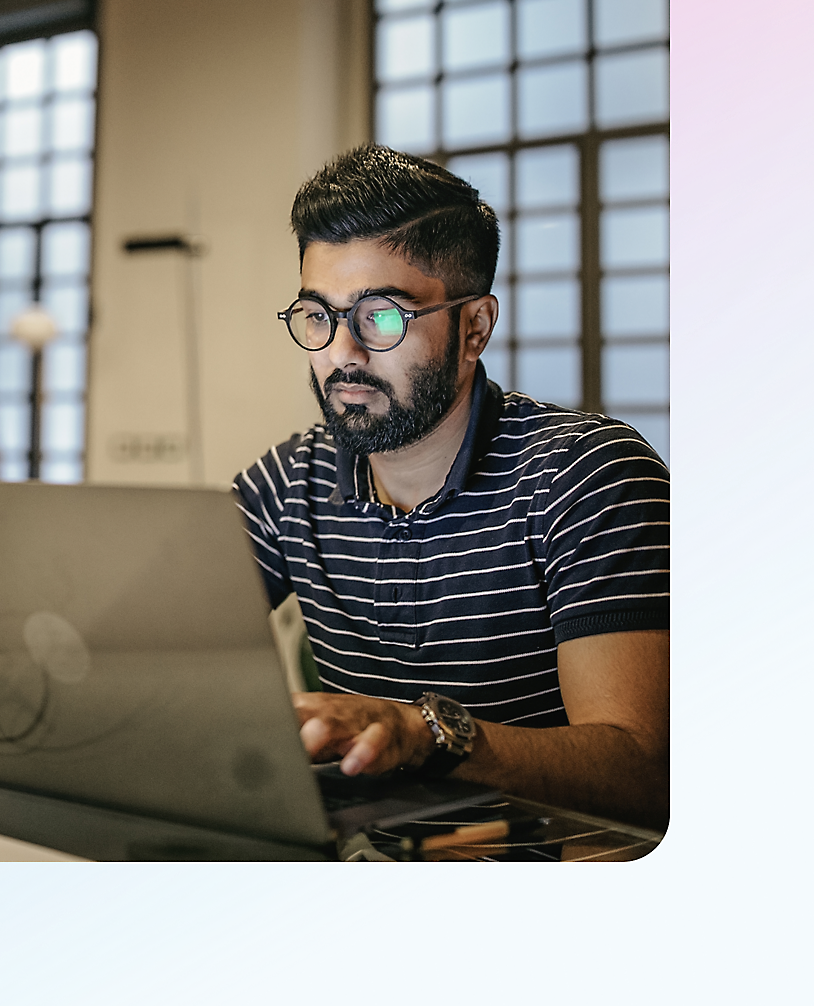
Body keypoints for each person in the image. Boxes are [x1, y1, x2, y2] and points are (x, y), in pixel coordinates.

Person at [234, 145, 669, 829]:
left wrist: (425, 735)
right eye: (318, 315)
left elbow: (643, 772)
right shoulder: (292, 480)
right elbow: (141, 645)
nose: (342, 354)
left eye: (380, 317)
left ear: (474, 328)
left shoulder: (588, 479)